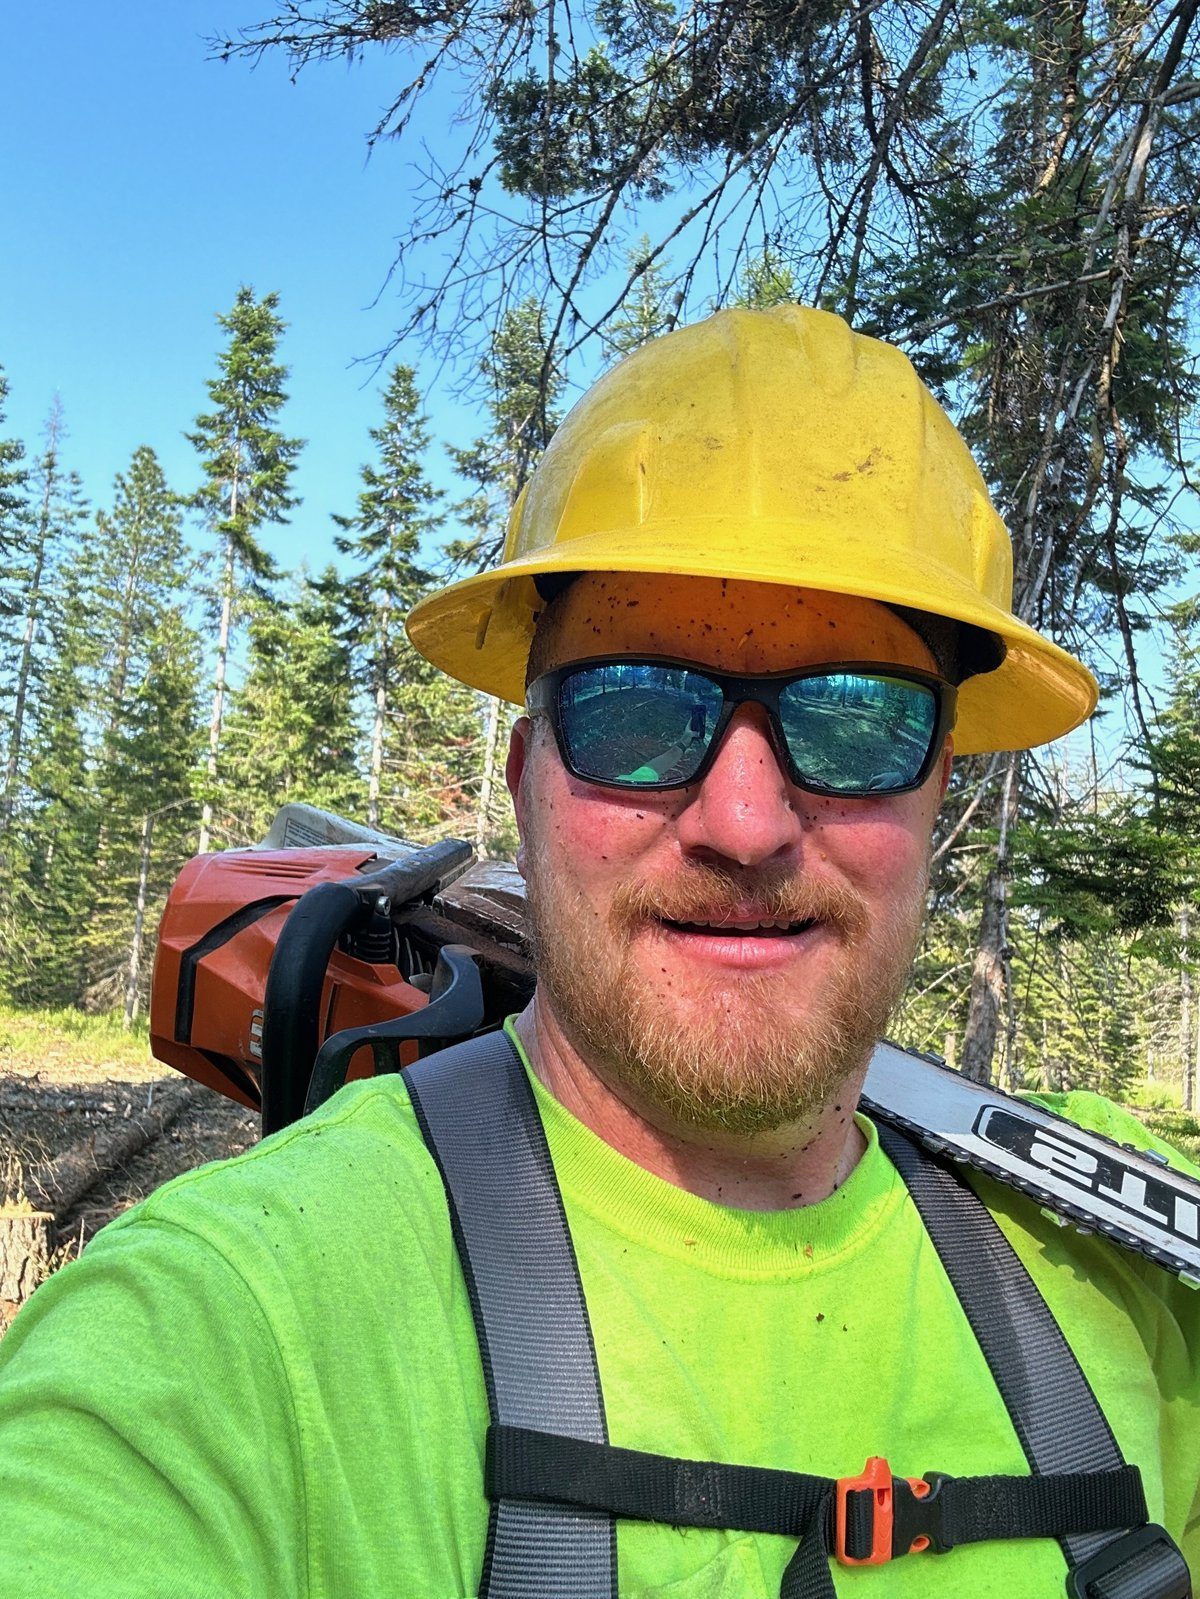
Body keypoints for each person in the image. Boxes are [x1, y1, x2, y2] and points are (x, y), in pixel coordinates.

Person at [0, 306, 1196, 1599]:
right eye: (635, 709)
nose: (744, 824)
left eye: (855, 724)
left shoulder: (1123, 1252)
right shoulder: (217, 1338)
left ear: (935, 794)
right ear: (525, 782)